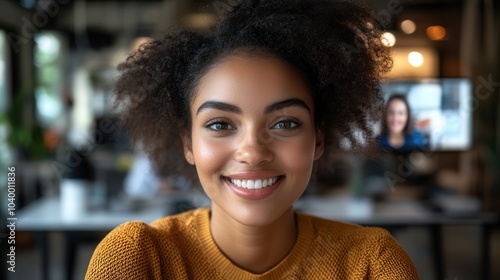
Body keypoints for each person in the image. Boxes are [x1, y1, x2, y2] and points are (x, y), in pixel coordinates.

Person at [85, 0, 419, 278]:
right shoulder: (138, 260)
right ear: (188, 143)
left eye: (286, 123)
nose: (252, 152)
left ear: (318, 140)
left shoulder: (372, 265)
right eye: (219, 125)